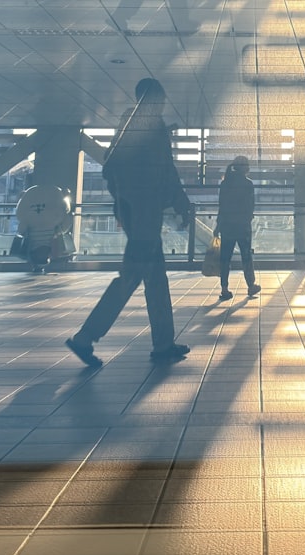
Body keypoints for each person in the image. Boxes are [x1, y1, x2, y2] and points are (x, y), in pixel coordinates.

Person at [65, 78, 193, 366]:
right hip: (145, 216)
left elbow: (112, 167)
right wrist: (178, 202)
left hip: (140, 214)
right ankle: (85, 337)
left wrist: (123, 204)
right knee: (131, 278)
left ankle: (163, 343)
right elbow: (165, 171)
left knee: (156, 281)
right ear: (156, 97)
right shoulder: (150, 125)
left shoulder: (130, 124)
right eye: (160, 98)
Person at [214, 155, 260, 300]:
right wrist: (248, 217)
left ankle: (224, 289)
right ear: (245, 167)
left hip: (227, 226)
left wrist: (218, 226)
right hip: (242, 226)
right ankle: (251, 285)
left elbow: (221, 206)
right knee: (246, 256)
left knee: (225, 258)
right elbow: (250, 205)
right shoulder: (248, 184)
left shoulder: (225, 183)